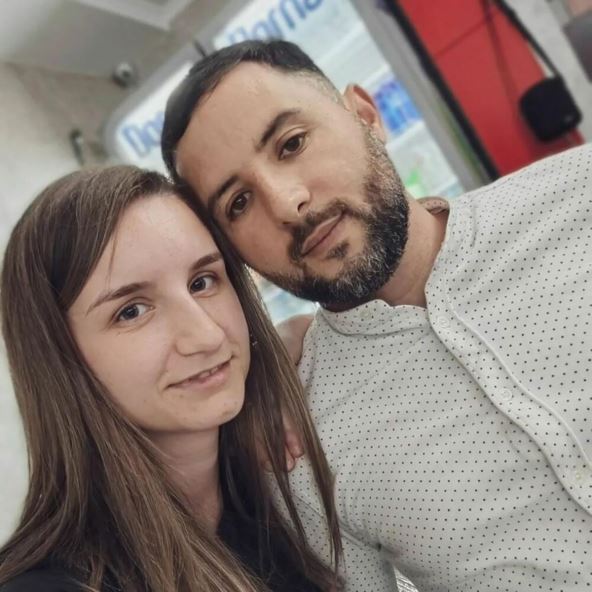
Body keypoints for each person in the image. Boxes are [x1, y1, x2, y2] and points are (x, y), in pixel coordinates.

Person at [161, 39, 592, 592]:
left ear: (365, 115)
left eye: (292, 144)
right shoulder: (301, 448)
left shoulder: (577, 198)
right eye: (238, 203)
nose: (286, 203)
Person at [0, 166, 343, 592]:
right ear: (58, 357)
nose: (207, 335)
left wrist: (288, 353)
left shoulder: (268, 505)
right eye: (131, 311)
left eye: (202, 282)